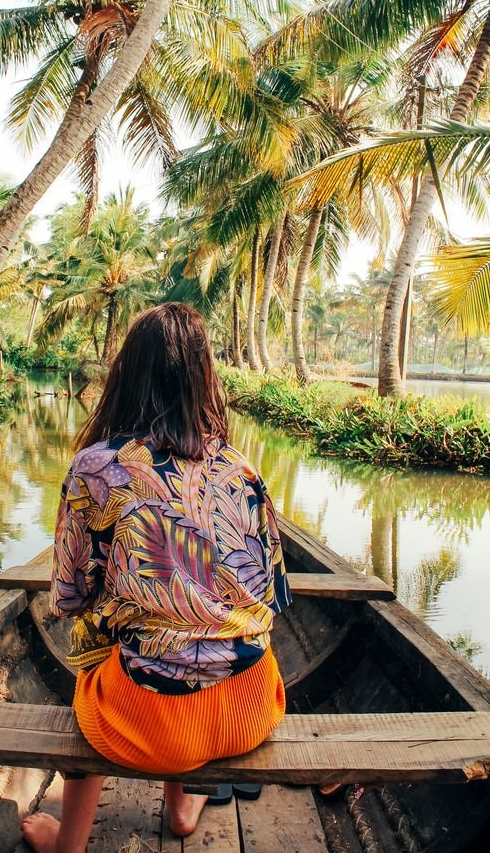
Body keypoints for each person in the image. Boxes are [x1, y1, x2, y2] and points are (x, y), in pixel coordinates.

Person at [22, 303, 291, 853]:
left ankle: (69, 844)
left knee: (94, 637)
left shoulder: (98, 469)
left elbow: (69, 597)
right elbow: (271, 594)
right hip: (249, 710)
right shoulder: (242, 470)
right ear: (203, 380)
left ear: (128, 373)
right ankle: (180, 808)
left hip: (142, 722)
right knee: (188, 619)